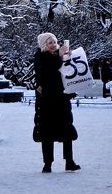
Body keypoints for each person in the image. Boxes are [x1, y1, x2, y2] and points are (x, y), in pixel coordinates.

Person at [34, 33, 80, 173]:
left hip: (62, 98)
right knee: (47, 132)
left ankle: (69, 161)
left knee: (66, 130)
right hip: (47, 100)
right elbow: (47, 73)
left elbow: (68, 73)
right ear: (44, 45)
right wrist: (60, 57)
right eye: (50, 43)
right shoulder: (40, 57)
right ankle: (47, 163)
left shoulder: (60, 56)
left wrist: (68, 58)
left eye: (54, 41)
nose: (54, 44)